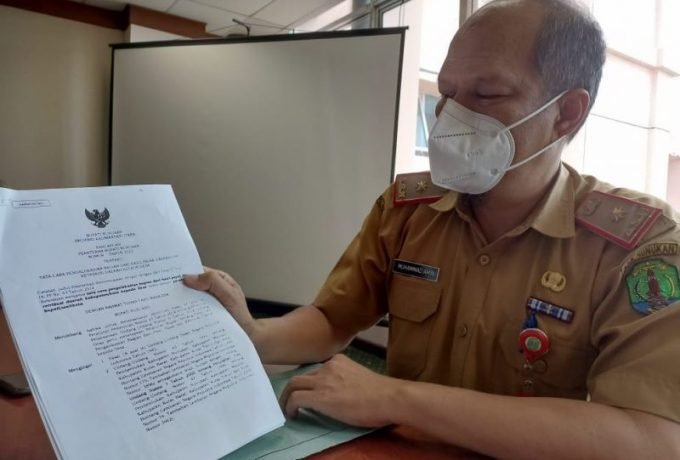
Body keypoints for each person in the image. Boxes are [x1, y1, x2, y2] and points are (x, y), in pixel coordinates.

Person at [185, 0, 680, 457]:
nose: (449, 116)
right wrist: (254, 335)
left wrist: (396, 398)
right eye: (446, 94)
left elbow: (653, 438)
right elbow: (333, 320)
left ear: (566, 113)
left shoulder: (639, 246)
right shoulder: (407, 208)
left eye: (486, 94)